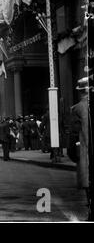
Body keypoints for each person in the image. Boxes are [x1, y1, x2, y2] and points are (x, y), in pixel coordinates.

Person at [70, 77, 90, 216]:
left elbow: (74, 134)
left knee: (88, 180)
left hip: (87, 151)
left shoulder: (77, 108)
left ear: (81, 91)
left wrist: (74, 153)